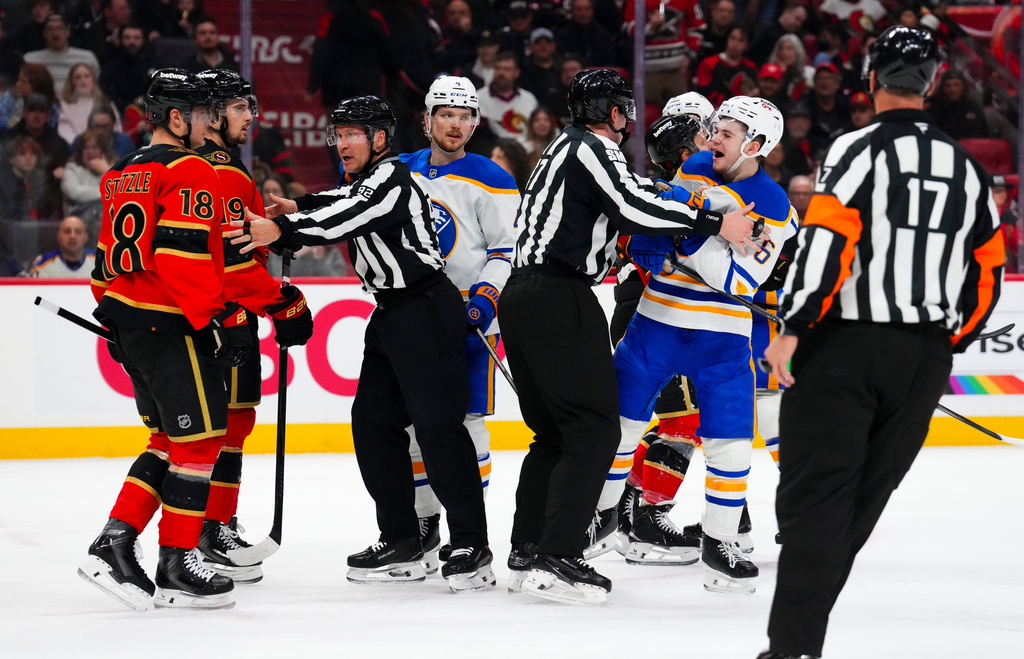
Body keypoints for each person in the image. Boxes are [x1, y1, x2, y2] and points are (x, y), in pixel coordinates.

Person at [758, 27, 1005, 659]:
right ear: (931, 83)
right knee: (860, 503)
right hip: (922, 356)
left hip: (844, 345)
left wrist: (793, 328)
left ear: (871, 80)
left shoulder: (855, 149)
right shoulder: (970, 167)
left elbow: (828, 244)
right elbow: (988, 273)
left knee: (814, 502)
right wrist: (945, 344)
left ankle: (791, 650)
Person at [499, 69, 761, 606]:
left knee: (550, 435)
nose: (629, 118)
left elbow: (634, 199)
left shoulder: (563, 148)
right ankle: (559, 554)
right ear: (610, 111)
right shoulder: (593, 147)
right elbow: (634, 207)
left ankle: (528, 549)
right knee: (594, 430)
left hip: (524, 296)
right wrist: (712, 222)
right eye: (624, 107)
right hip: (558, 299)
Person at [226, 95, 493, 594]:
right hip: (391, 315)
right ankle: (401, 538)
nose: (342, 143)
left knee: (439, 431)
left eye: (353, 134)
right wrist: (299, 206)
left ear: (381, 140)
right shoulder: (363, 183)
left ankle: (471, 544)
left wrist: (283, 225)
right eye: (339, 133)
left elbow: (351, 215)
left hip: (428, 312)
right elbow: (341, 201)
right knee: (372, 424)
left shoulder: (392, 178)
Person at [78, 68, 251, 611]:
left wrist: (115, 315)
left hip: (131, 324)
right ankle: (176, 563)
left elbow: (105, 264)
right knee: (202, 440)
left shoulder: (120, 171)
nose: (211, 122)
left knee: (170, 440)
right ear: (177, 118)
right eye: (203, 113)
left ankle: (118, 540)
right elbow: (183, 257)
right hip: (170, 323)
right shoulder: (192, 168)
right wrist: (215, 318)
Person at [609, 96, 796, 591]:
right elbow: (654, 227)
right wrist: (690, 235)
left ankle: (722, 541)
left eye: (726, 132)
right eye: (715, 128)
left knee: (729, 443)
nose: (712, 137)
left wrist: (686, 238)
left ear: (755, 145)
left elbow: (735, 281)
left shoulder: (774, 204)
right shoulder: (693, 166)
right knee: (619, 428)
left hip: (723, 339)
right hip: (654, 320)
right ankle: (600, 520)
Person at [192, 68, 314, 584]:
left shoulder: (203, 166)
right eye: (242, 108)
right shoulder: (225, 171)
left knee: (230, 426)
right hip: (224, 317)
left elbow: (233, 246)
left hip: (213, 315)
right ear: (216, 112)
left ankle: (215, 524)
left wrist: (268, 239)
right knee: (221, 430)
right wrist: (282, 303)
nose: (251, 118)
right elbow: (233, 263)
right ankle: (210, 529)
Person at [398, 75, 520, 573]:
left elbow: (505, 249)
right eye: (446, 114)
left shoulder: (493, 177)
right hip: (415, 313)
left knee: (469, 426)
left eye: (465, 115)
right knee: (414, 427)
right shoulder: (400, 170)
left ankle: (471, 528)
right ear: (426, 119)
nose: (456, 124)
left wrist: (487, 299)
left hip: (470, 317)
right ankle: (426, 524)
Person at [23, 14, 100, 94]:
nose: (55, 34)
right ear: (44, 34)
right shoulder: (31, 60)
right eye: (50, 29)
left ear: (67, 32)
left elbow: (96, 87)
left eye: (59, 28)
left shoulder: (87, 58)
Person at [477, 51, 538, 147]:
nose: (501, 73)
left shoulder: (529, 99)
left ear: (516, 73)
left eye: (506, 69)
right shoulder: (479, 98)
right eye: (498, 68)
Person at [57, 62, 122, 143]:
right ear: (71, 82)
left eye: (87, 76)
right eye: (78, 77)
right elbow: (64, 130)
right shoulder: (64, 105)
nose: (83, 81)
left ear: (93, 79)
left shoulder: (105, 102)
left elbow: (116, 127)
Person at [60, 127, 113, 215]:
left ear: (103, 150)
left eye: (94, 147)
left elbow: (125, 192)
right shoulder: (71, 169)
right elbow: (74, 193)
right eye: (86, 148)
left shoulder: (112, 169)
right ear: (81, 151)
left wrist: (107, 171)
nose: (90, 152)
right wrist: (108, 192)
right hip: (78, 223)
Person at [29, 214, 95, 277]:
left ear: (86, 237)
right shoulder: (43, 264)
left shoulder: (99, 262)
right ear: (58, 236)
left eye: (78, 232)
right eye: (67, 231)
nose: (72, 236)